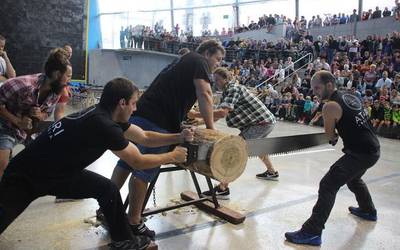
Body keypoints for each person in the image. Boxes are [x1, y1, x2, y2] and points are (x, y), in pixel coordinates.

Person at [0, 78, 192, 249]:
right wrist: (172, 156)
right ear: (122, 103)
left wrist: (178, 137)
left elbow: (145, 137)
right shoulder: (103, 124)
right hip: (26, 175)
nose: (135, 109)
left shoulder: (107, 115)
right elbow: (138, 161)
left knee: (107, 189)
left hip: (60, 173)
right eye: (133, 103)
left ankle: (125, 240)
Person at [105, 40, 225, 239]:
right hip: (157, 122)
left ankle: (106, 208)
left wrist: (195, 118)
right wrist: (212, 129)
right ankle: (133, 222)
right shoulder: (199, 61)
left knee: (126, 162)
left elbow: (182, 100)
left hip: (141, 115)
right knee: (144, 170)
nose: (217, 64)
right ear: (207, 53)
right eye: (217, 58)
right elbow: (204, 93)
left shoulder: (184, 61)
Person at [285, 71, 380, 246]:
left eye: (317, 88)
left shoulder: (330, 106)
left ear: (329, 85)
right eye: (313, 88)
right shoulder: (350, 96)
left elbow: (330, 135)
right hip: (372, 148)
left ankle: (312, 232)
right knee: (354, 179)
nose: (314, 92)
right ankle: (368, 211)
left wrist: (333, 136)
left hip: (360, 153)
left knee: (328, 184)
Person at [189, 67, 278, 199]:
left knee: (235, 150)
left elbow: (222, 113)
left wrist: (195, 114)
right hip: (264, 122)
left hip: (260, 124)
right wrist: (197, 122)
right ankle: (272, 172)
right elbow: (218, 116)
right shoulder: (228, 91)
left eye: (218, 80)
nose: (215, 82)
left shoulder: (233, 89)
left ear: (226, 79)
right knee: (258, 148)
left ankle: (223, 189)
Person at [0, 48, 72, 178]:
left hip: (29, 131)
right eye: (68, 76)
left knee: (52, 157)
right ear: (56, 74)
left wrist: (40, 115)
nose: (69, 81)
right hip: (6, 127)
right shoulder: (22, 85)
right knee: (2, 164)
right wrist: (18, 121)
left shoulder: (57, 91)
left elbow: (47, 113)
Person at [54, 44, 73, 121]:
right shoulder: (59, 62)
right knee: (59, 111)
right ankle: (58, 127)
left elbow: (67, 78)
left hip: (63, 88)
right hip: (59, 88)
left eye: (70, 52)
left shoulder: (67, 63)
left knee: (60, 110)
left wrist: (68, 89)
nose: (69, 54)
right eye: (67, 51)